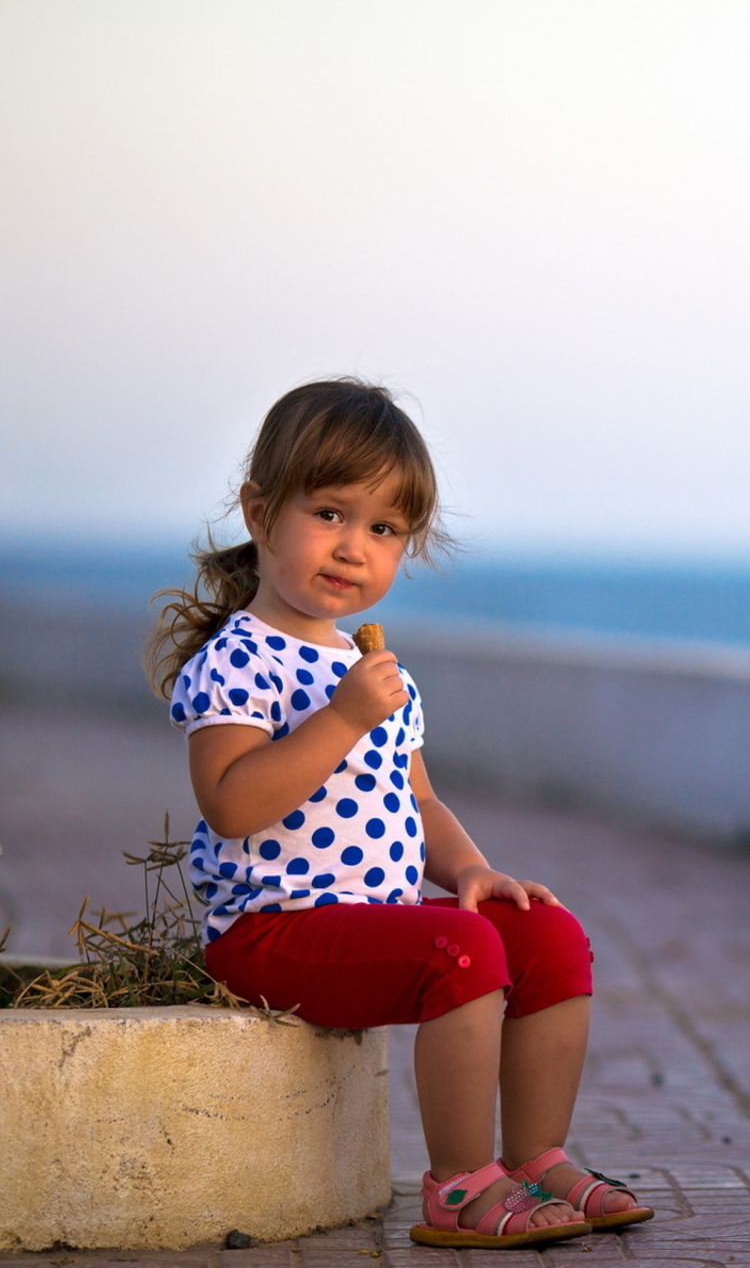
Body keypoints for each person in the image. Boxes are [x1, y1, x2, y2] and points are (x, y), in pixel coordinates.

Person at [148, 379, 652, 1250]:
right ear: (261, 513)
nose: (353, 548)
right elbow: (230, 805)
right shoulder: (240, 659)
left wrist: (470, 870)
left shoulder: (378, 673)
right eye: (332, 513)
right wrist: (341, 718)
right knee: (461, 949)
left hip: (372, 920)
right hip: (272, 931)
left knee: (543, 933)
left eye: (382, 529)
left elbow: (416, 799)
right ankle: (458, 1187)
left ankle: (535, 1158)